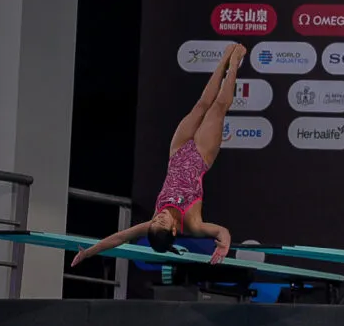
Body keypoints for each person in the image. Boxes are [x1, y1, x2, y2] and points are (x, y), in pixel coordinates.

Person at [71, 43, 246, 267]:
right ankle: (235, 62)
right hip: (201, 157)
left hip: (177, 152)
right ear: (173, 229)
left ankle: (224, 58)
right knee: (218, 107)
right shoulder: (193, 224)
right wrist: (224, 243)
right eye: (161, 222)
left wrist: (88, 252)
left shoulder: (153, 223)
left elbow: (120, 237)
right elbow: (222, 231)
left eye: (154, 221)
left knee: (201, 105)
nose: (158, 217)